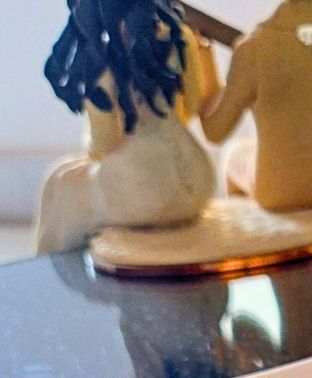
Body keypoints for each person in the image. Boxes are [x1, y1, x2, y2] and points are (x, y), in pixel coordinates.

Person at [36, 0, 215, 254]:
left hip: (143, 192)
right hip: (197, 178)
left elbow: (105, 143)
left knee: (61, 185)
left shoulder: (102, 58)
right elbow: (193, 105)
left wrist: (90, 139)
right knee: (66, 175)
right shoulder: (177, 40)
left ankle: (52, 277)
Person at [199, 0, 312, 212]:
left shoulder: (253, 48)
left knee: (234, 155)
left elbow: (215, 132)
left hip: (278, 193)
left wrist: (203, 56)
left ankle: (258, 232)